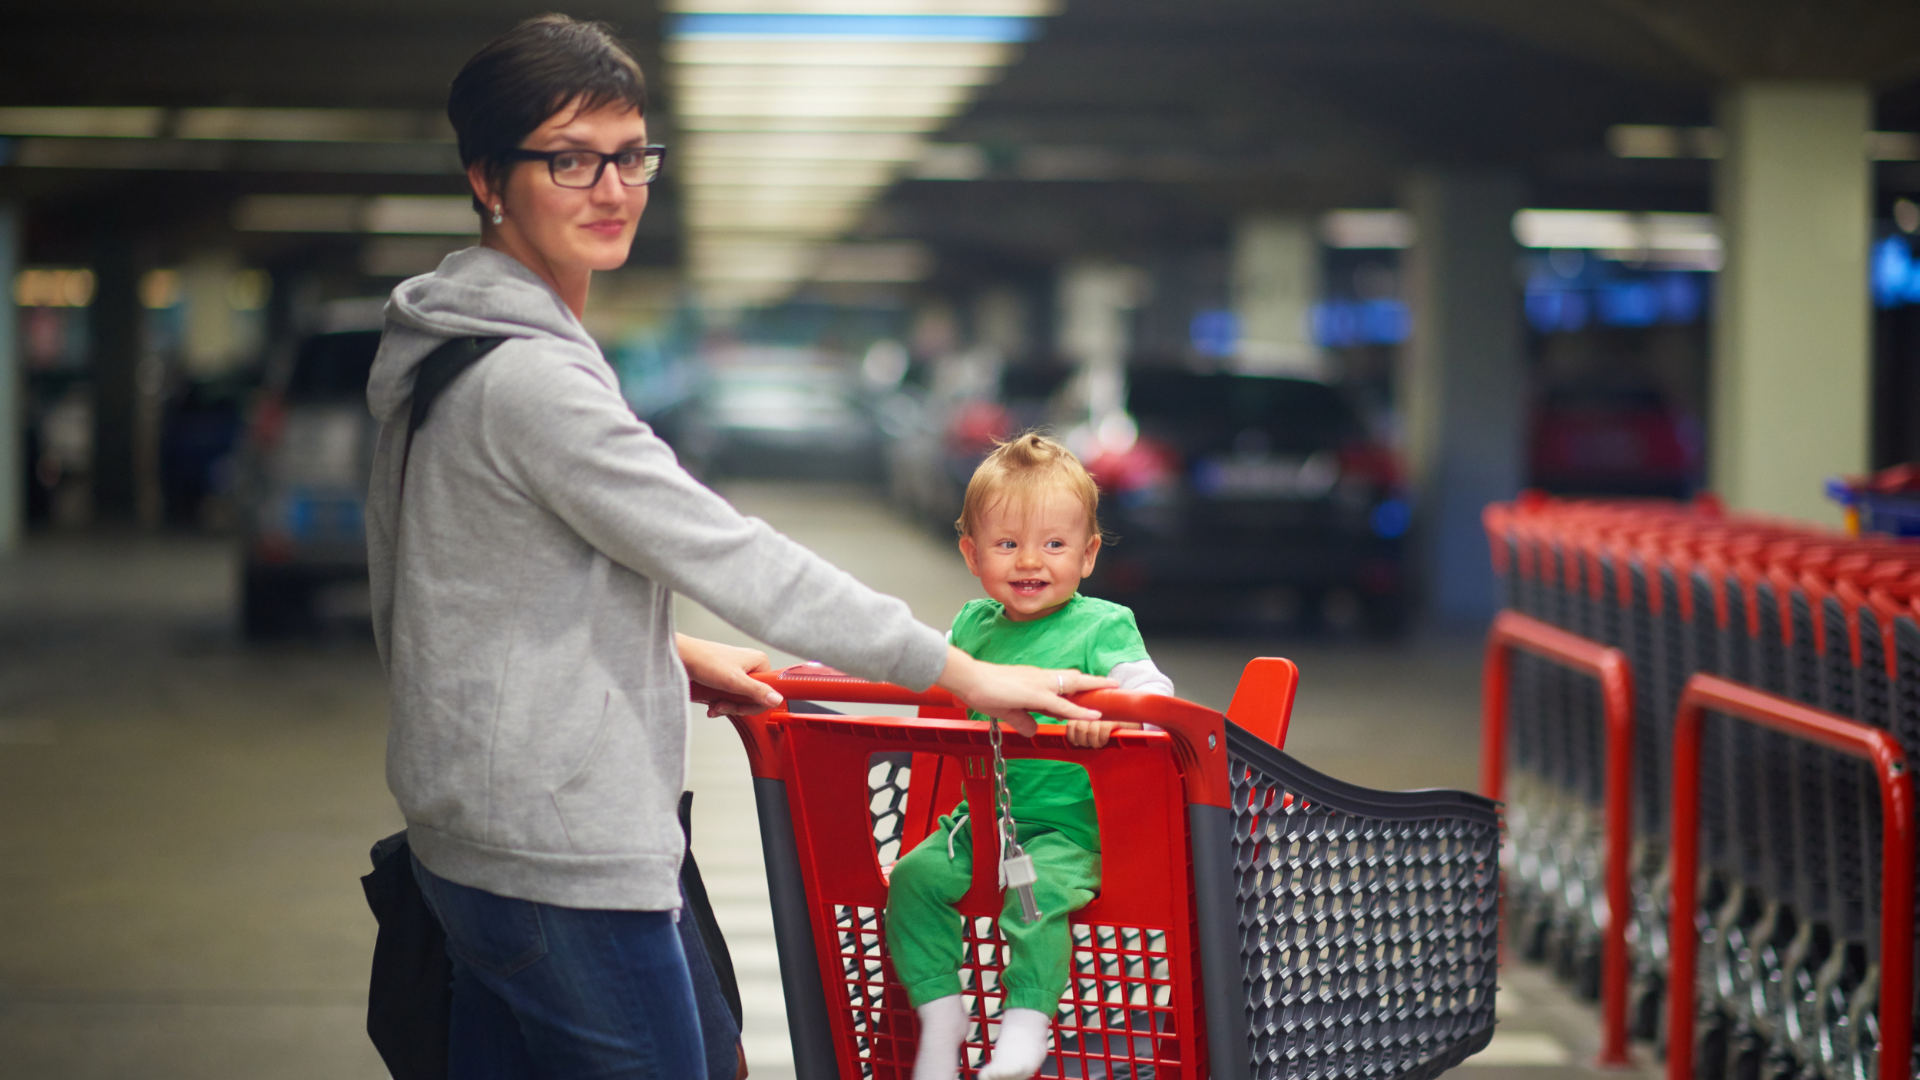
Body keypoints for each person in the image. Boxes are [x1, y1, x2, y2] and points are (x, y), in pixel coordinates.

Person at [363, 16, 1115, 1080]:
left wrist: (669, 655)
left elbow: (468, 583)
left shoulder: (453, 352)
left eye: (629, 156)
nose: (612, 189)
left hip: (482, 839)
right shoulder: (528, 383)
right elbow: (732, 555)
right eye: (568, 160)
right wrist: (957, 670)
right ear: (489, 177)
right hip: (557, 854)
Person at [884, 434, 1175, 1080]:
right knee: (912, 881)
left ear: (1089, 554)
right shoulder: (972, 627)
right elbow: (926, 666)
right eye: (1007, 544)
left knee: (1034, 898)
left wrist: (1112, 711)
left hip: (1068, 828)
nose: (1029, 562)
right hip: (977, 821)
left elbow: (1152, 688)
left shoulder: (1102, 626)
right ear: (970, 553)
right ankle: (941, 1015)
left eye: (1054, 545)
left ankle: (1026, 1024)